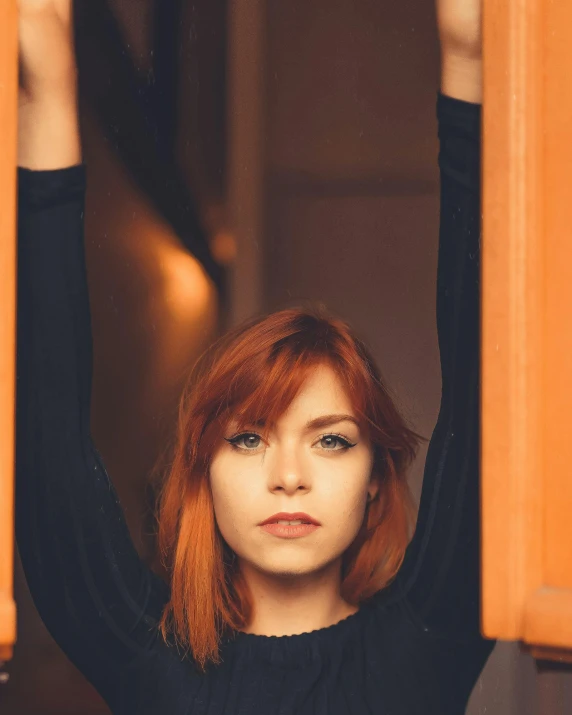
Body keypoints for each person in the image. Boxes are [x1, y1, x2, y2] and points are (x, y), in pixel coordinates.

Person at [15, 0, 495, 713]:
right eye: (248, 438)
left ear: (374, 479)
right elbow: (48, 430)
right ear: (202, 471)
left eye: (331, 439)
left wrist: (469, 63)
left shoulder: (430, 636)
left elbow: (488, 387)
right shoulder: (142, 653)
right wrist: (48, 90)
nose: (289, 478)